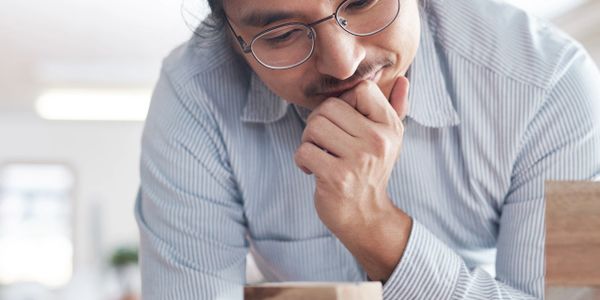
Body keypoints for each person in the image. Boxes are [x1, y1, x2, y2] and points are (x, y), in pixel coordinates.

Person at [134, 0, 600, 298]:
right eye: (281, 35)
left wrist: (373, 225)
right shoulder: (192, 92)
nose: (343, 63)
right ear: (234, 43)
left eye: (360, 1)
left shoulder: (554, 80)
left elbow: (573, 297)